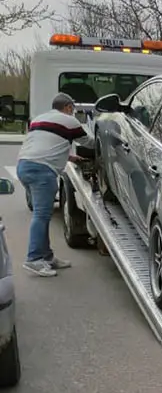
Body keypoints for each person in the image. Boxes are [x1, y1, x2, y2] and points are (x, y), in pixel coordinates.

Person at [16, 93, 94, 277]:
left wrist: (70, 157)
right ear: (67, 107)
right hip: (42, 171)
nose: (73, 111)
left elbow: (44, 145)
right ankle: (34, 259)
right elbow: (90, 143)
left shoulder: (38, 119)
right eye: (72, 108)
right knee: (41, 216)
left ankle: (47, 257)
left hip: (24, 166)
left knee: (41, 215)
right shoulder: (70, 121)